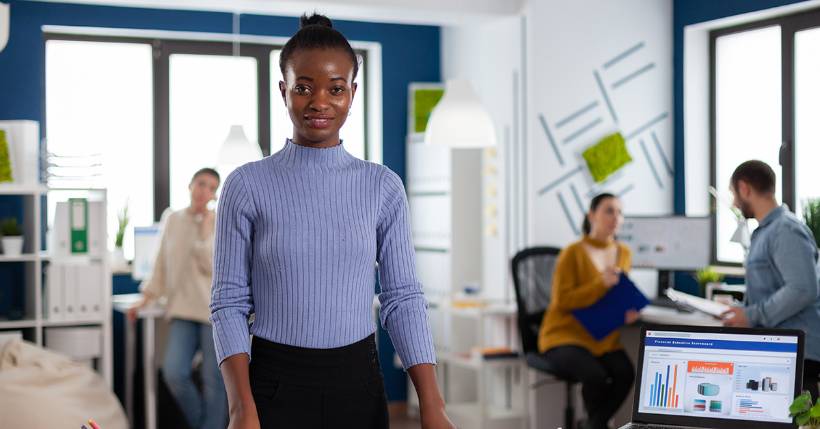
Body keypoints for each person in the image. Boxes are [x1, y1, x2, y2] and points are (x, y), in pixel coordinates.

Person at [210, 13, 453, 429]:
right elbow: (229, 302)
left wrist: (432, 404)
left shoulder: (382, 187)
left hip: (358, 384)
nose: (319, 102)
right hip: (273, 386)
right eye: (303, 87)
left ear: (352, 93)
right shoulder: (245, 185)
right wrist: (241, 407)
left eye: (335, 88)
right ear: (283, 90)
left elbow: (403, 298)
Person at [127, 167, 226, 429]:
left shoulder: (219, 222)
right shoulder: (173, 219)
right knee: (174, 372)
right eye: (201, 184)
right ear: (190, 185)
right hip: (182, 309)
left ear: (215, 195)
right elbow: (161, 263)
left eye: (211, 187)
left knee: (213, 379)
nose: (204, 191)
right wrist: (146, 297)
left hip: (211, 311)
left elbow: (212, 265)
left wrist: (205, 231)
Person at [538, 193, 639, 429]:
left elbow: (615, 297)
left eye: (619, 212)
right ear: (591, 215)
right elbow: (562, 301)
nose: (616, 217)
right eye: (609, 210)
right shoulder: (571, 253)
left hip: (602, 335)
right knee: (595, 377)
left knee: (626, 372)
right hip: (566, 334)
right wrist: (599, 283)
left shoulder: (624, 252)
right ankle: (597, 426)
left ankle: (592, 425)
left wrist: (627, 311)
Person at [722, 160, 820, 400]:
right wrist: (742, 311)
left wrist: (751, 315)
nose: (734, 202)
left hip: (800, 356)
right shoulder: (766, 232)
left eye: (734, 193)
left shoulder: (784, 230)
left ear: (745, 188)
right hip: (783, 352)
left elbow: (803, 288)